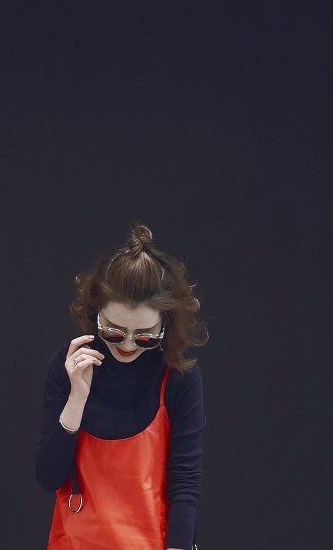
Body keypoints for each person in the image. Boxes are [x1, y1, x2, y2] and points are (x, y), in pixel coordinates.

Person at [36, 223, 208, 550]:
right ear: (96, 313)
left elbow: (184, 483)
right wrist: (77, 398)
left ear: (165, 324)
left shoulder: (178, 376)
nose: (127, 345)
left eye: (145, 336)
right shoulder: (69, 365)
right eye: (113, 332)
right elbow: (49, 477)